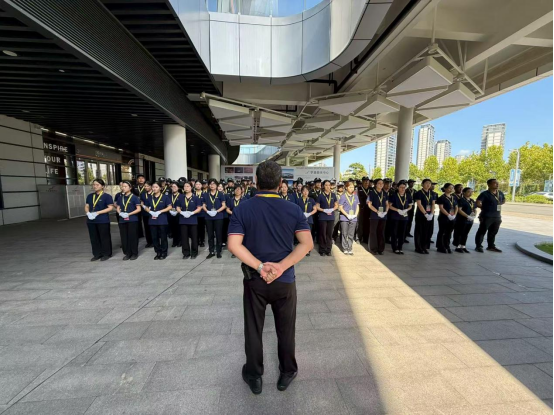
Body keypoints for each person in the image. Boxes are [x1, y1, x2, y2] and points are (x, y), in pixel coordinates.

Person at [227, 161, 313, 395]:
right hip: (284, 281)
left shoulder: (243, 209)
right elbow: (306, 244)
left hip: (255, 280)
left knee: (253, 329)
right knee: (286, 329)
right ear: (280, 182)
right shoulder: (293, 209)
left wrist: (260, 266)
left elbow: (233, 244)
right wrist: (281, 267)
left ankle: (254, 375)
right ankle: (287, 371)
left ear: (256, 181)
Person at [85, 179, 114, 261]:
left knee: (104, 237)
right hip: (91, 220)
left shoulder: (107, 196)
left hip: (102, 220)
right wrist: (88, 213)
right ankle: (97, 254)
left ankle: (106, 253)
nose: (95, 186)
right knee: (93, 237)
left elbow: (110, 208)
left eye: (97, 185)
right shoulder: (90, 196)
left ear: (102, 186)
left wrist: (97, 213)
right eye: (94, 184)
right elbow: (87, 206)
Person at [143, 182, 173, 260]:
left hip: (162, 219)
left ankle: (164, 252)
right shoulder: (150, 197)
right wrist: (150, 212)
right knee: (154, 237)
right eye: (153, 187)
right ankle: (158, 252)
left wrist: (160, 211)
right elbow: (145, 206)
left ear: (160, 188)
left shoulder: (165, 197)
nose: (154, 188)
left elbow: (170, 207)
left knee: (163, 237)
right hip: (152, 219)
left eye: (156, 187)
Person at [475, 179, 506, 253]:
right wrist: (484, 208)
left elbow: (503, 200)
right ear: (489, 185)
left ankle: (491, 246)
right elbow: (478, 202)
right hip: (487, 216)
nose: (497, 184)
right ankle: (478, 246)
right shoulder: (485, 194)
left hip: (497, 216)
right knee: (482, 231)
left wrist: (498, 203)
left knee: (493, 232)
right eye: (494, 183)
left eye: (497, 183)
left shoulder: (500, 193)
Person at [115, 181, 141, 260]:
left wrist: (129, 214)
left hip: (132, 219)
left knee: (132, 236)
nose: (123, 188)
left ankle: (134, 253)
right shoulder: (120, 197)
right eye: (122, 186)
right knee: (124, 237)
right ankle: (127, 253)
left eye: (125, 186)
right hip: (122, 220)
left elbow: (138, 209)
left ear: (130, 188)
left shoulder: (134, 197)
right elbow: (118, 207)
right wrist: (120, 213)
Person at [176, 182, 203, 259]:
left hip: (193, 219)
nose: (186, 188)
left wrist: (192, 213)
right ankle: (186, 252)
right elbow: (177, 207)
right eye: (185, 186)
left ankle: (194, 252)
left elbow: (199, 208)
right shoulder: (180, 197)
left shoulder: (196, 198)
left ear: (191, 187)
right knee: (184, 237)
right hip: (183, 219)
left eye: (188, 186)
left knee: (194, 237)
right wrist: (181, 212)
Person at [202, 179, 227, 259]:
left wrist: (217, 211)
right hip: (208, 217)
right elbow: (203, 205)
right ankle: (211, 251)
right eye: (210, 184)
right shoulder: (206, 194)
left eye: (213, 184)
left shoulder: (220, 194)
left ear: (216, 185)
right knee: (210, 234)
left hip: (218, 216)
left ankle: (218, 251)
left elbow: (224, 205)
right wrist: (207, 211)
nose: (212, 185)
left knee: (218, 234)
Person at [388, 180, 413, 255]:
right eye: (401, 187)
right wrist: (397, 210)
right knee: (394, 232)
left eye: (404, 187)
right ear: (398, 188)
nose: (402, 189)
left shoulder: (408, 196)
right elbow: (389, 206)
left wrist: (406, 210)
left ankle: (400, 247)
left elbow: (410, 206)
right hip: (395, 217)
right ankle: (394, 248)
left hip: (404, 217)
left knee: (402, 233)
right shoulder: (394, 195)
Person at [316, 180, 338, 256]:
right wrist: (324, 210)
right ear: (323, 186)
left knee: (329, 234)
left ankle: (328, 250)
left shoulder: (333, 195)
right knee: (322, 233)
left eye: (329, 185)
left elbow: (336, 205)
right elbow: (317, 206)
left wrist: (332, 209)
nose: (328, 187)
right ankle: (322, 249)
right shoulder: (320, 195)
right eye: (326, 185)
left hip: (331, 217)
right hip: (323, 217)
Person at [414, 179, 436, 254]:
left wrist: (432, 214)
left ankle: (424, 247)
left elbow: (433, 204)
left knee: (427, 231)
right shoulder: (419, 193)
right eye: (426, 183)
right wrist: (425, 213)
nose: (428, 185)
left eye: (429, 183)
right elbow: (419, 204)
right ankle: (418, 247)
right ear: (422, 184)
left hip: (430, 214)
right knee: (420, 231)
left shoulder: (432, 193)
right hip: (421, 214)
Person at [368, 179, 389, 255]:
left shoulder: (385, 193)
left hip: (383, 215)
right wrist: (377, 211)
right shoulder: (371, 193)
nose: (381, 185)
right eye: (379, 183)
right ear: (375, 184)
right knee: (373, 232)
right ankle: (373, 249)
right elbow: (369, 204)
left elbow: (387, 204)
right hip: (375, 215)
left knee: (381, 232)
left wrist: (386, 212)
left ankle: (381, 249)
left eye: (382, 183)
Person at [338, 181, 359, 255]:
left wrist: (355, 215)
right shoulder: (343, 196)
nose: (352, 188)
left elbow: (357, 206)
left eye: (353, 187)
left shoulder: (355, 196)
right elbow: (340, 207)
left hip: (353, 218)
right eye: (350, 187)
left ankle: (350, 248)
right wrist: (347, 215)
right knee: (344, 233)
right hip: (344, 218)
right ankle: (345, 248)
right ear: (346, 188)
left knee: (351, 234)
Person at [436, 183, 459, 254]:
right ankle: (440, 246)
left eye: (452, 188)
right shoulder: (442, 197)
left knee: (449, 233)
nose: (451, 189)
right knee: (442, 232)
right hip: (444, 217)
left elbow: (456, 207)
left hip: (452, 217)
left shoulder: (454, 197)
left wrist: (454, 215)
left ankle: (447, 245)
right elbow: (441, 208)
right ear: (445, 188)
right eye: (449, 188)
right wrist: (448, 215)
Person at [454, 187, 477, 253]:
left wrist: (473, 216)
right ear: (464, 192)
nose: (470, 193)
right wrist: (467, 216)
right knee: (459, 233)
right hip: (462, 219)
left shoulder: (472, 200)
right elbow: (459, 210)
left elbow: (474, 209)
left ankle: (463, 245)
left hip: (470, 220)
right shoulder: (461, 200)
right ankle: (458, 246)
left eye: (472, 192)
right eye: (469, 191)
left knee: (466, 233)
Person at [296, 185, 317, 257]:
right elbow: (296, 209)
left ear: (308, 192)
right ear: (301, 192)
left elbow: (315, 209)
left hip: (309, 219)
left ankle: (308, 250)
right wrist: (301, 214)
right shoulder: (299, 200)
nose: (305, 192)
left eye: (307, 191)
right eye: (304, 191)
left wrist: (309, 214)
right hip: (301, 220)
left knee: (308, 235)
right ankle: (302, 249)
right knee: (302, 235)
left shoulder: (311, 200)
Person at [357, 177, 372, 245]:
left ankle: (366, 238)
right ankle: (359, 238)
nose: (366, 183)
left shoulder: (371, 189)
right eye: (365, 181)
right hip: (361, 209)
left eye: (367, 181)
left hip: (369, 209)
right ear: (362, 182)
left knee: (367, 224)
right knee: (360, 223)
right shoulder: (358, 189)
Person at [140, 181, 154, 248]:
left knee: (153, 228)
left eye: (148, 186)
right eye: (145, 186)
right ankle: (149, 242)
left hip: (153, 213)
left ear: (151, 186)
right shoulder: (143, 194)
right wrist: (143, 206)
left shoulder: (154, 193)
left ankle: (154, 241)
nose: (146, 187)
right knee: (146, 228)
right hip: (145, 213)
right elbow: (141, 202)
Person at [168, 182, 182, 248]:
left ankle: (179, 241)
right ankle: (174, 241)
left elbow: (183, 204)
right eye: (172, 187)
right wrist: (169, 210)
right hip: (170, 213)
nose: (173, 188)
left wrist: (177, 211)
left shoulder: (181, 196)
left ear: (178, 187)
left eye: (175, 186)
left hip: (179, 213)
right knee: (172, 228)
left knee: (179, 228)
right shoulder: (169, 196)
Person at [194, 181, 206, 248]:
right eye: (197, 184)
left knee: (201, 228)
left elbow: (205, 203)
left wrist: (199, 208)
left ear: (201, 185)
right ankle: (197, 240)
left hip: (202, 213)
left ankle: (202, 240)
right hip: (194, 213)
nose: (198, 185)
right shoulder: (193, 193)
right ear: (195, 185)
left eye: (199, 184)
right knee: (195, 228)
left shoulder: (204, 194)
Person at [135, 174, 147, 239]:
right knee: (138, 220)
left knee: (146, 220)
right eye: (139, 178)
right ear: (137, 180)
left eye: (142, 178)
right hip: (137, 205)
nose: (141, 179)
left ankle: (148, 233)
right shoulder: (134, 187)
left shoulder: (147, 186)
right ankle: (140, 234)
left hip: (145, 205)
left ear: (144, 179)